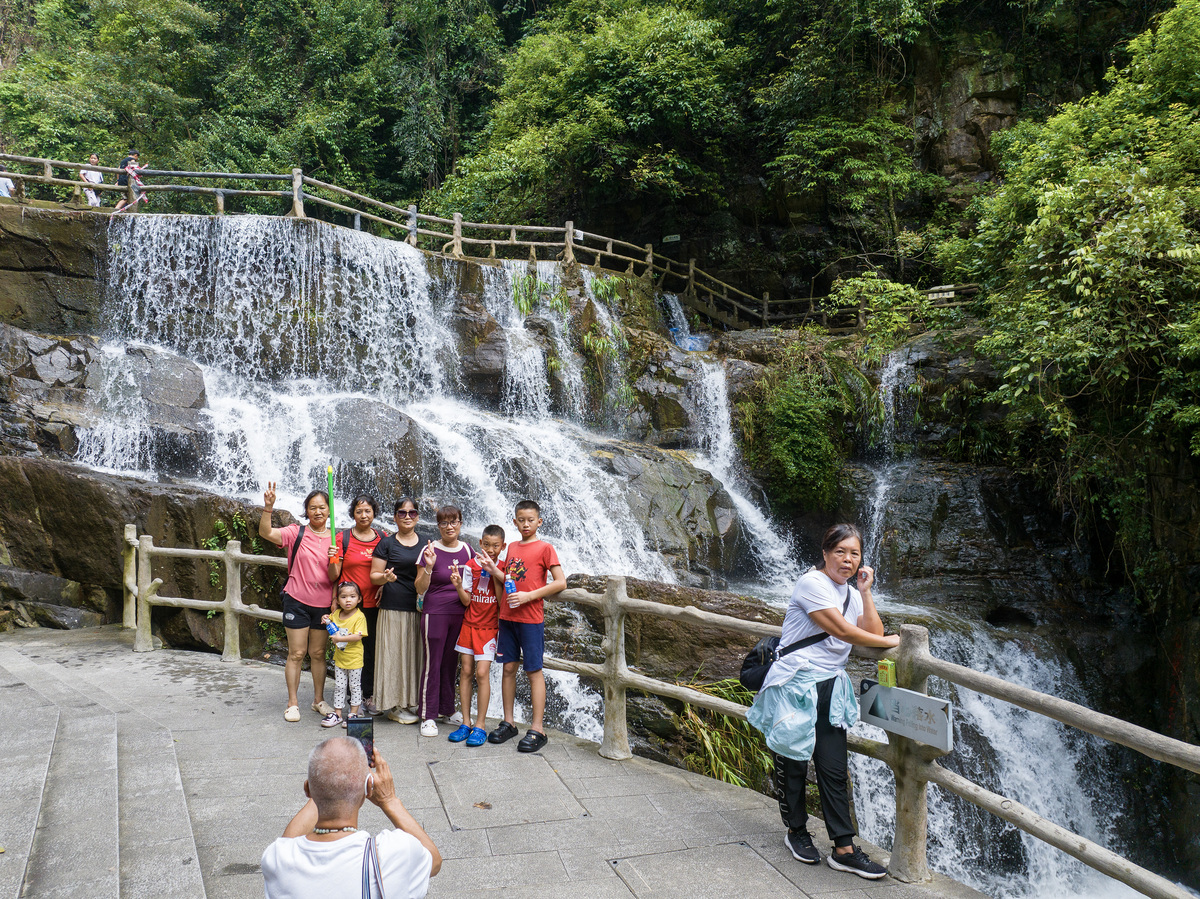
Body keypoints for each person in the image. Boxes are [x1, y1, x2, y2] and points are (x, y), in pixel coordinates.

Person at [748, 523, 900, 880]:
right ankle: (796, 832)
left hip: (831, 686)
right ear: (825, 553)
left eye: (855, 554)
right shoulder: (811, 584)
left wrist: (865, 592)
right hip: (796, 684)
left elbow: (871, 633)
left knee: (833, 767)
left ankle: (844, 850)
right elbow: (844, 632)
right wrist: (893, 641)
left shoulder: (848, 589)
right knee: (795, 761)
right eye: (840, 552)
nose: (847, 560)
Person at [262, 737, 440, 899]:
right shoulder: (394, 854)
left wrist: (325, 783)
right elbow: (434, 860)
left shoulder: (277, 858)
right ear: (368, 789)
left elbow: (287, 843)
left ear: (308, 790)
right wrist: (389, 800)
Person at [488, 499, 566, 753]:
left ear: (539, 521)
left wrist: (529, 596)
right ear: (514, 521)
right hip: (507, 617)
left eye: (530, 520)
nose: (526, 524)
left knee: (533, 671)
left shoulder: (545, 548)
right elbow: (510, 578)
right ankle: (509, 722)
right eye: (521, 520)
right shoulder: (511, 547)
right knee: (508, 668)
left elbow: (560, 583)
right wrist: (493, 569)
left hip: (531, 618)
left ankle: (537, 728)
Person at [259, 482, 338, 722]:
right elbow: (266, 533)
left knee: (317, 653)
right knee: (296, 653)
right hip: (297, 600)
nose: (318, 512)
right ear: (306, 510)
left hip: (323, 604)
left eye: (322, 507)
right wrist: (268, 508)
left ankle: (318, 700)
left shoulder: (336, 538)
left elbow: (335, 576)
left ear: (329, 510)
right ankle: (292, 703)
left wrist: (335, 559)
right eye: (312, 507)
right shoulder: (296, 532)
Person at [415, 505, 475, 737]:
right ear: (438, 526)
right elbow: (419, 587)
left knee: (451, 663)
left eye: (454, 522)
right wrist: (429, 567)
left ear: (460, 523)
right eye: (444, 523)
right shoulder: (429, 550)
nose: (449, 527)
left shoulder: (468, 550)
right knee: (433, 664)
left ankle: (448, 709)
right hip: (435, 613)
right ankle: (428, 715)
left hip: (460, 614)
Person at [370, 498, 431, 725]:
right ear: (395, 516)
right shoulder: (387, 543)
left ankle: (411, 701)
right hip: (393, 606)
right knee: (393, 655)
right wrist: (384, 578)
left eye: (412, 513)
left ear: (418, 516)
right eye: (402, 513)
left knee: (414, 654)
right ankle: (395, 705)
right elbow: (373, 576)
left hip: (419, 607)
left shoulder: (426, 542)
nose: (407, 517)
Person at [448, 524, 506, 747]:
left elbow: (502, 603)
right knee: (466, 671)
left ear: (503, 547)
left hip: (490, 628)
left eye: (496, 546)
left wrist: (493, 573)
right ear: (480, 544)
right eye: (487, 545)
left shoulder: (502, 568)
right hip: (469, 625)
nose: (491, 550)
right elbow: (467, 601)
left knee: (482, 673)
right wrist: (458, 586)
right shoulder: (470, 566)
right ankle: (465, 722)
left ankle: (480, 725)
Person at [328, 494, 386, 715]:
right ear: (353, 513)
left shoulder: (382, 538)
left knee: (369, 651)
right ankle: (352, 697)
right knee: (347, 649)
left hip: (373, 603)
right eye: (359, 511)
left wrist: (383, 586)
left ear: (374, 513)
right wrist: (332, 559)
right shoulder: (343, 538)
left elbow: (389, 568)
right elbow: (335, 574)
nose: (364, 515)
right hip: (348, 606)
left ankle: (368, 695)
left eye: (368, 511)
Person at [320, 582, 368, 727]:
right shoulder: (336, 614)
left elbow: (358, 636)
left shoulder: (359, 617)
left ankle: (353, 713)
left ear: (359, 599)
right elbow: (330, 622)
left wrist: (340, 639)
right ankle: (338, 714)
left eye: (352, 596)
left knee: (354, 686)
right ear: (337, 599)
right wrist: (325, 618)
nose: (348, 600)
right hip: (340, 659)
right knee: (339, 686)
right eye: (344, 597)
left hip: (354, 659)